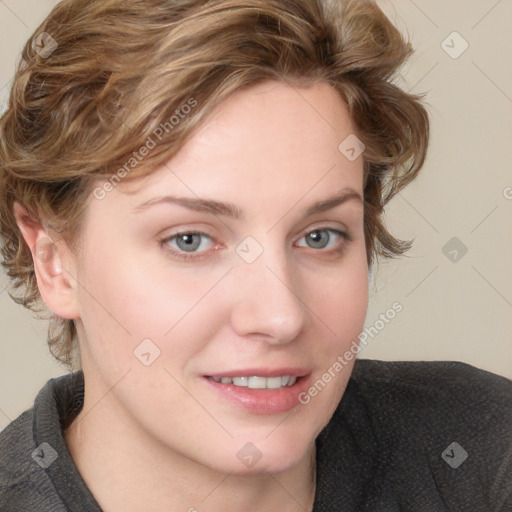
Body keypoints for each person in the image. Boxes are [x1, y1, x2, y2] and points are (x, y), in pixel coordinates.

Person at [0, 0, 510, 510]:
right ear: (54, 261)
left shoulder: (484, 453)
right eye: (190, 240)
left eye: (319, 236)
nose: (281, 316)